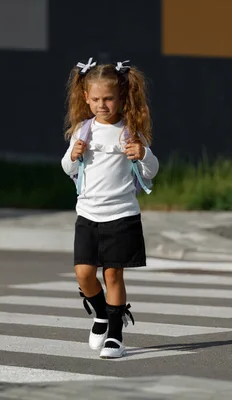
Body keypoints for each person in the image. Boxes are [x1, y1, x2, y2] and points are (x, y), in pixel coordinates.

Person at [60, 57, 159, 359]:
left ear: (120, 99)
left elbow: (152, 170)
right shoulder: (82, 131)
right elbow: (66, 168)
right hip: (88, 214)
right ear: (86, 99)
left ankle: (115, 335)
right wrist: (73, 156)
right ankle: (101, 313)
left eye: (109, 99)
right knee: (84, 273)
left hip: (122, 214)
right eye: (96, 99)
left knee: (113, 275)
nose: (102, 105)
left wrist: (142, 154)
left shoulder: (130, 132)